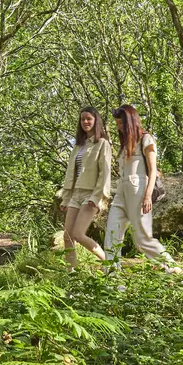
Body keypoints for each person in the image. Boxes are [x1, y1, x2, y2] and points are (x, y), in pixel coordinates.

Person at [104, 104, 182, 274]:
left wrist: (147, 196)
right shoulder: (125, 144)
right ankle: (112, 279)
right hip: (121, 191)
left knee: (142, 239)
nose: (119, 127)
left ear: (131, 121)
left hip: (138, 189)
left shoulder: (146, 138)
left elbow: (153, 170)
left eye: (121, 124)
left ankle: (172, 268)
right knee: (112, 234)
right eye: (117, 124)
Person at [61, 106, 111, 267]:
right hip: (75, 194)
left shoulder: (102, 143)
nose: (85, 122)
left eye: (89, 119)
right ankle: (72, 277)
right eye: (83, 119)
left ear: (96, 121)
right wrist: (65, 198)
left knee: (78, 234)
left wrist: (97, 197)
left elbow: (105, 172)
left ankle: (111, 265)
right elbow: (71, 173)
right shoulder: (78, 146)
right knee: (67, 236)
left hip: (91, 194)